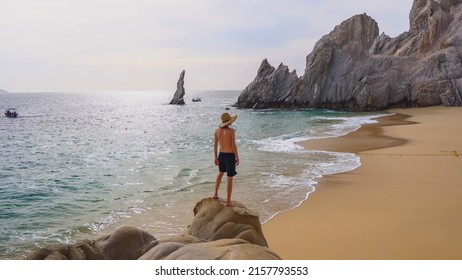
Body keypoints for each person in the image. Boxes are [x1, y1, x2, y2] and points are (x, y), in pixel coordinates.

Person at [213, 112, 239, 207]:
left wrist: (215, 158)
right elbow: (233, 145)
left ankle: (215, 194)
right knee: (229, 178)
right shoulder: (231, 131)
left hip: (221, 155)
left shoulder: (217, 131)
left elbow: (215, 146)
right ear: (229, 121)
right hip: (230, 156)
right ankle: (228, 202)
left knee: (220, 174)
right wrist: (237, 156)